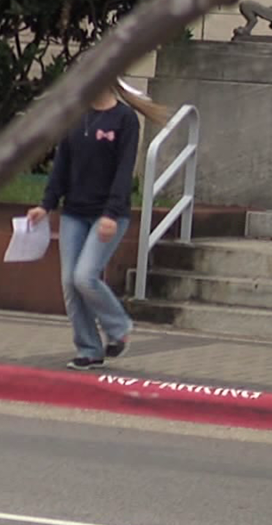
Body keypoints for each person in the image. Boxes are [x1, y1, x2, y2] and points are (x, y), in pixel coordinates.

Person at [27, 79, 169, 370]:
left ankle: (119, 328)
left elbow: (124, 170)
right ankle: (89, 349)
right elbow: (61, 165)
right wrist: (46, 205)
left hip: (108, 215)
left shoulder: (124, 119)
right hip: (74, 213)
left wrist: (111, 213)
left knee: (85, 276)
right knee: (70, 282)